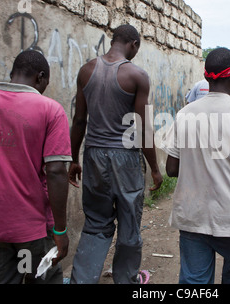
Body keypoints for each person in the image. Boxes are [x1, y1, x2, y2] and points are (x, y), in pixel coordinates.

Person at [0, 50, 71, 284]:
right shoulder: (50, 110)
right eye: (46, 83)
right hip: (33, 227)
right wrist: (60, 230)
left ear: (12, 74)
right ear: (40, 77)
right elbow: (56, 171)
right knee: (38, 275)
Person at [69, 24, 163, 284]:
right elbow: (142, 128)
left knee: (96, 223)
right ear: (133, 44)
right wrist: (154, 168)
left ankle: (82, 280)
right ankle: (126, 280)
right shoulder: (136, 75)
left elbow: (79, 121)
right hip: (126, 159)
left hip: (94, 155)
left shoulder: (86, 70)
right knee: (129, 224)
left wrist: (73, 158)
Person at [163, 47, 230, 284]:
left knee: (194, 280)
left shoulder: (185, 114)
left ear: (207, 76)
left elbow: (172, 169)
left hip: (191, 213)